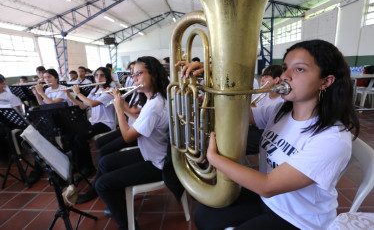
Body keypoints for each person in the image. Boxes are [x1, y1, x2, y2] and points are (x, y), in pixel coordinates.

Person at [179, 39, 360, 229]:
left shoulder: (332, 139)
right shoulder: (281, 110)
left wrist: (213, 159)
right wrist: (210, 82)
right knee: (204, 216)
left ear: (326, 81)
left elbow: (267, 186)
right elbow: (237, 116)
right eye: (285, 68)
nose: (285, 76)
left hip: (298, 219)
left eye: (299, 69)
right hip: (269, 201)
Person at [77, 56, 169, 229]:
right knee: (105, 161)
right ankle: (119, 204)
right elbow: (139, 119)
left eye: (138, 74)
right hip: (151, 153)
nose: (134, 79)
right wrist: (122, 104)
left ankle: (128, 225)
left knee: (102, 184)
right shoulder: (155, 98)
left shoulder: (154, 105)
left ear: (154, 74)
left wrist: (118, 108)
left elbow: (127, 137)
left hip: (157, 163)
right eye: (133, 75)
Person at [63, 67, 115, 179]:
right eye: (96, 75)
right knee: (72, 133)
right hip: (93, 121)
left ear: (107, 77)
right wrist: (69, 96)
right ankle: (78, 165)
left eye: (102, 75)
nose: (98, 78)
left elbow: (92, 104)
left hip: (105, 123)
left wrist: (78, 93)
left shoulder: (109, 90)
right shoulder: (94, 90)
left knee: (79, 137)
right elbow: (83, 106)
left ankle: (88, 167)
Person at [247, 64, 284, 154]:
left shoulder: (282, 101)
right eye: (263, 76)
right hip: (255, 127)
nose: (262, 79)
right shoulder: (263, 94)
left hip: (266, 133)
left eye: (266, 77)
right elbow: (252, 107)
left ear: (276, 80)